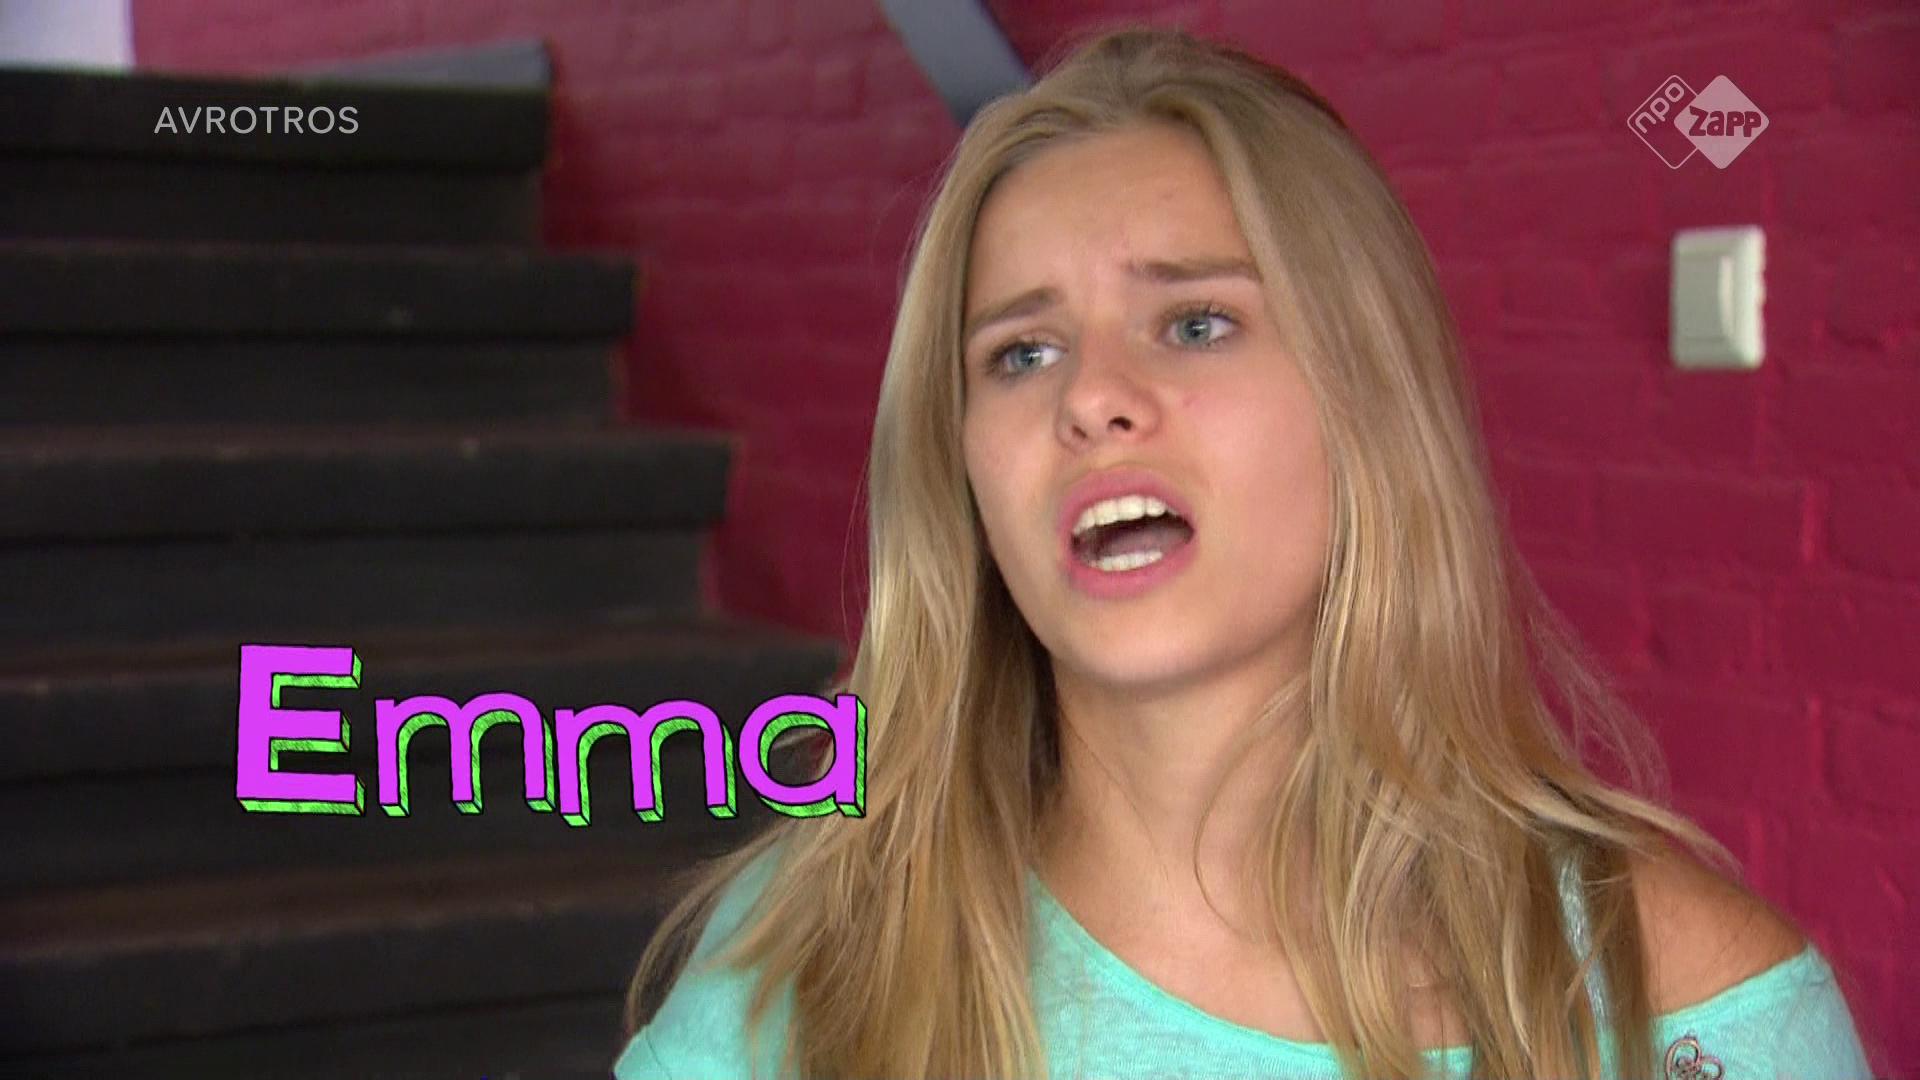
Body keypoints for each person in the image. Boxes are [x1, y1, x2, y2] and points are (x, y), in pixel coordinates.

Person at [611, 25, 1878, 1080]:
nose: (1090, 398)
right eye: (1022, 353)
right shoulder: (816, 952)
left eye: (1196, 323)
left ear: (1366, 398)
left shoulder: (1685, 1007)